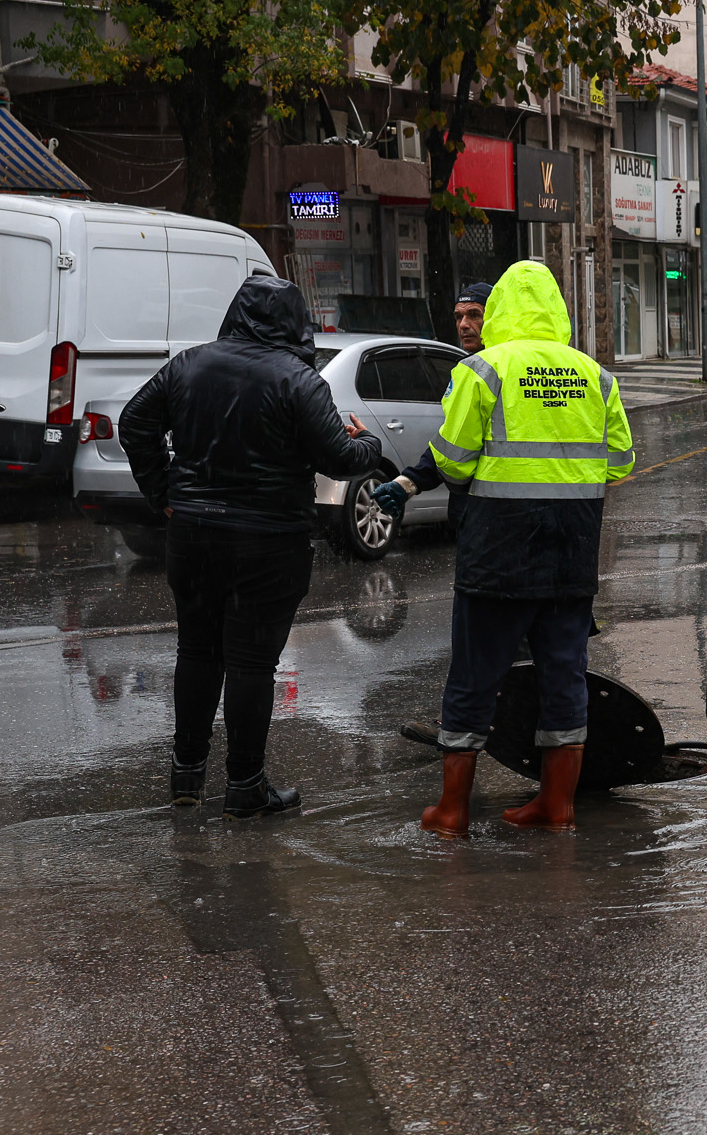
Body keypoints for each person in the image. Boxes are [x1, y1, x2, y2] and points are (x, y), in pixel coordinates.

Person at [120, 276, 383, 817]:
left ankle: (186, 776)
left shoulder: (190, 364)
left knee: (196, 651)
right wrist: (371, 444)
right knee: (251, 663)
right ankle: (244, 785)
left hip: (193, 534)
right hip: (267, 541)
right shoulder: (298, 380)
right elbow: (339, 459)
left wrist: (163, 490)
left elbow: (134, 421)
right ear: (293, 322)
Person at [419, 261, 635, 837]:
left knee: (473, 678)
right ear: (557, 309)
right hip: (572, 553)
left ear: (499, 313)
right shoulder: (596, 376)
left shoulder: (484, 370)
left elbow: (451, 460)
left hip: (499, 553)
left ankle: (452, 810)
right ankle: (556, 804)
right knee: (564, 678)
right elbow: (620, 461)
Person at [368, 281, 490, 519]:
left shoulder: (480, 371)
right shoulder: (474, 368)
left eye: (474, 315)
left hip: (485, 512)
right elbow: (454, 442)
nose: (464, 325)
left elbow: (454, 454)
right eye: (458, 317)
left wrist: (410, 482)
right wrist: (408, 483)